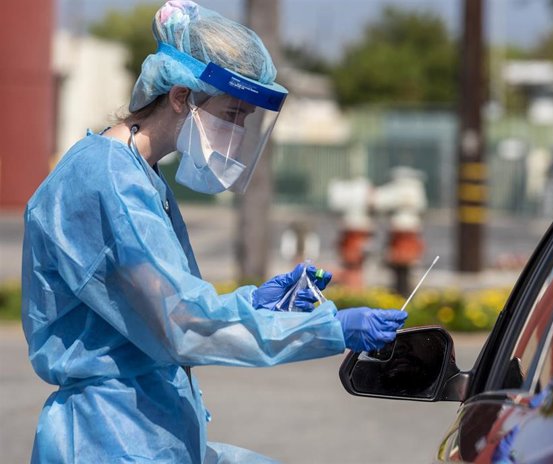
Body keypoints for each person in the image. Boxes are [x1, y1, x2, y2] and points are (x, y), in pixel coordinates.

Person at [21, 1, 407, 463]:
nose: (238, 130)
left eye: (245, 119)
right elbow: (182, 325)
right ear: (182, 96)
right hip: (111, 438)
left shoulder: (139, 175)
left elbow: (158, 307)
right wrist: (328, 328)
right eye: (233, 113)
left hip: (144, 432)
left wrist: (252, 302)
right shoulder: (106, 180)